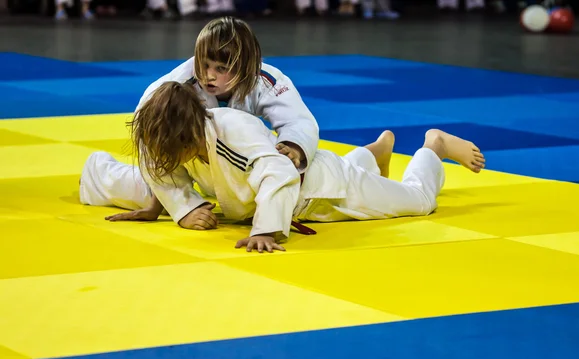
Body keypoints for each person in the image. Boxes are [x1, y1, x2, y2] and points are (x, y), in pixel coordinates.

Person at [80, 81, 486, 253]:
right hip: (316, 183)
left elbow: (279, 174)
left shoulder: (231, 131)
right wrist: (181, 209)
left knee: (418, 203)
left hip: (325, 190)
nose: (163, 156)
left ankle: (432, 147)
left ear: (189, 132)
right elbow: (156, 165)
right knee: (359, 170)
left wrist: (265, 230)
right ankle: (370, 155)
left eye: (171, 147)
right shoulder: (176, 138)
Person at [98, 16, 319, 223]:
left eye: (221, 68)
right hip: (192, 164)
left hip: (236, 167)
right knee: (147, 192)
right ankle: (97, 174)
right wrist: (184, 208)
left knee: (292, 182)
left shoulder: (266, 80)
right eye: (203, 64)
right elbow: (151, 136)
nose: (209, 75)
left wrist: (294, 146)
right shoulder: (176, 86)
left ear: (245, 67)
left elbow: (298, 120)